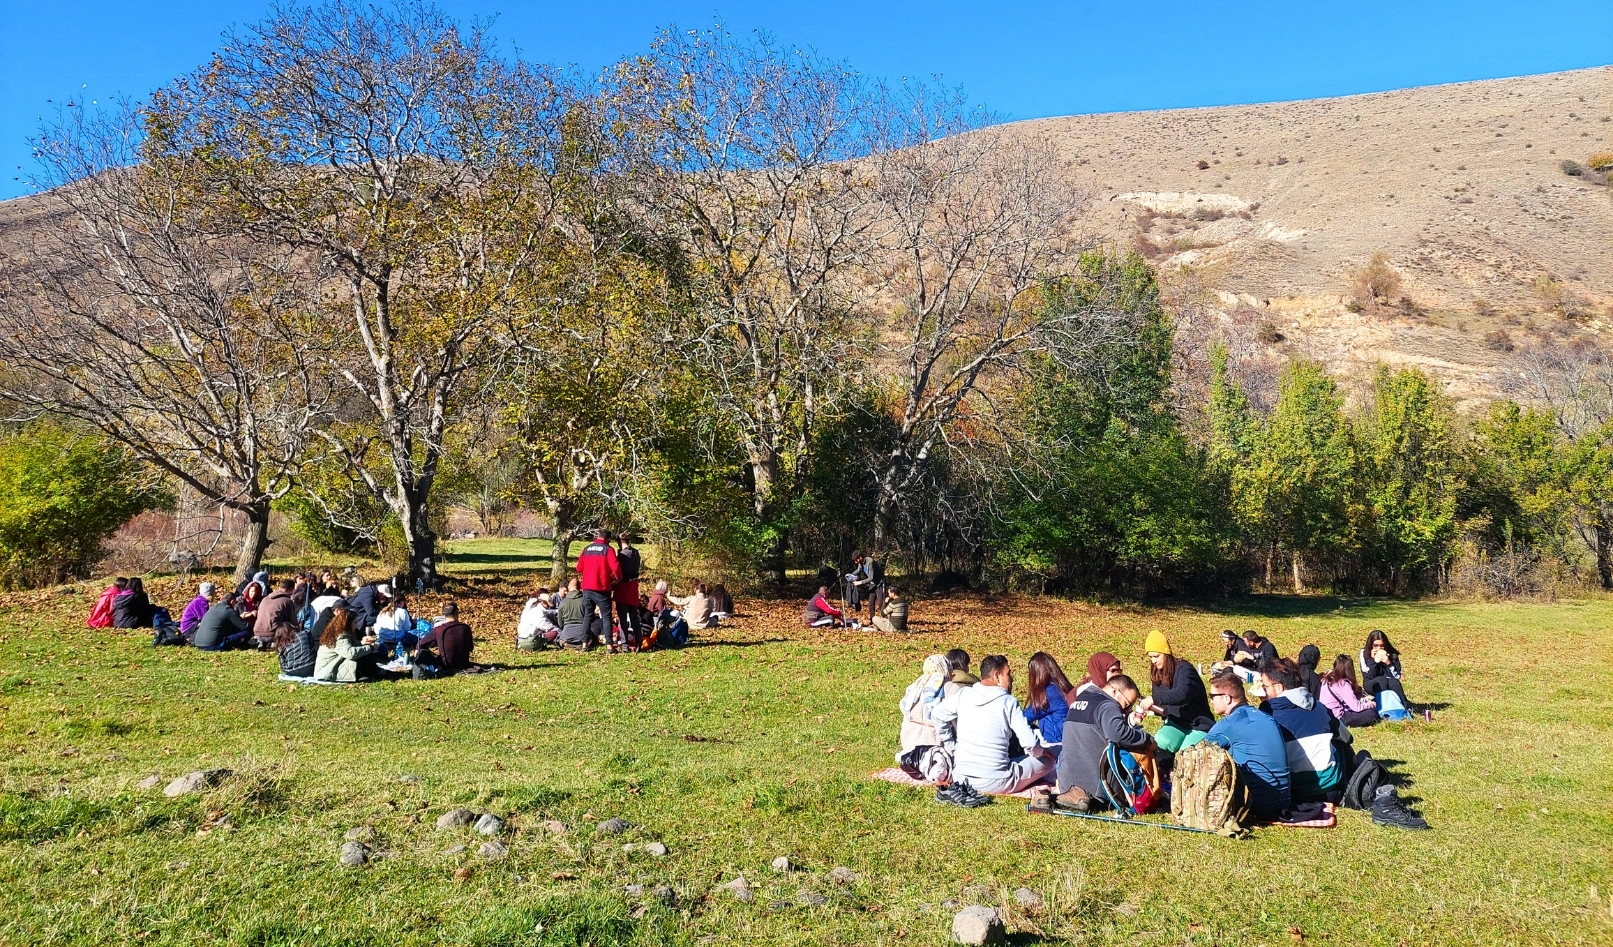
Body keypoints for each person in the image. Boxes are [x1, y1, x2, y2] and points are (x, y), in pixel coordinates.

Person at [930, 654, 1054, 795]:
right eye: (1008, 673)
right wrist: (1042, 752)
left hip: (961, 776)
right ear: (997, 676)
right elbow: (1030, 744)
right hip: (996, 781)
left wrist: (952, 747)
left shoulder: (963, 695)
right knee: (1049, 759)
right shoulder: (1008, 702)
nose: (1011, 678)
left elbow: (937, 715)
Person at [1053, 672, 1152, 812]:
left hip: (1066, 783)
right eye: (1127, 703)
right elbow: (1118, 734)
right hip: (1096, 790)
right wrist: (1146, 739)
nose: (1124, 708)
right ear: (1115, 691)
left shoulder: (1082, 698)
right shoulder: (1108, 705)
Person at [1203, 669, 1292, 819]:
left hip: (1256, 805)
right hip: (1284, 800)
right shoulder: (1266, 717)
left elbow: (1197, 753)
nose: (1211, 700)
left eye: (1212, 696)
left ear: (1226, 698)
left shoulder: (1230, 723)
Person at [1259, 657, 1343, 802]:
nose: (1264, 691)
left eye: (1265, 687)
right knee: (1338, 741)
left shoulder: (1269, 712)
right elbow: (1347, 737)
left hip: (1294, 789)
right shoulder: (1320, 707)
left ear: (1278, 687)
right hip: (1330, 788)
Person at [1135, 631, 1213, 772]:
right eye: (1151, 657)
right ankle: (1164, 777)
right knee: (1161, 741)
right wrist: (1152, 709)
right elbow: (1164, 703)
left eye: (1157, 656)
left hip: (1198, 724)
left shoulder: (1184, 669)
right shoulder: (1157, 672)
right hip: (1176, 722)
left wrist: (1154, 699)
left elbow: (1182, 694)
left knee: (1186, 754)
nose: (1153, 660)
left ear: (1166, 653)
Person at [898, 654, 961, 752]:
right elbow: (958, 721)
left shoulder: (914, 686)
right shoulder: (951, 688)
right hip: (935, 744)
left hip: (909, 741)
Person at [576, 528, 621, 651]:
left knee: (588, 616)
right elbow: (616, 567)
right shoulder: (608, 550)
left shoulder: (586, 549)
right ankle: (609, 646)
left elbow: (579, 568)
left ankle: (584, 644)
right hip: (602, 588)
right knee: (606, 617)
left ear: (597, 537)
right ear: (607, 539)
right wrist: (617, 578)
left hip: (587, 588)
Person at [1022, 652, 1075, 748]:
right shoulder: (1062, 687)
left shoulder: (1050, 694)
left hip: (1057, 745)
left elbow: (1025, 717)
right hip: (1068, 740)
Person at [314, 607, 380, 682]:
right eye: (355, 623)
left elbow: (345, 647)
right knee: (363, 655)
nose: (356, 625)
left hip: (326, 669)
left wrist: (361, 643)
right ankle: (371, 672)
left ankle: (370, 672)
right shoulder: (341, 636)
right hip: (328, 671)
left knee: (363, 652)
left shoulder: (337, 633)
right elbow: (350, 653)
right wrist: (370, 648)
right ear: (348, 623)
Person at [1320, 654, 1380, 728]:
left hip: (1326, 715)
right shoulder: (1342, 684)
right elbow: (1356, 707)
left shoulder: (1327, 679)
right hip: (1338, 717)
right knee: (1372, 713)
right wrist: (1371, 704)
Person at [415, 601, 475, 675]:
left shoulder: (438, 630)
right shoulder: (465, 628)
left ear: (444, 615)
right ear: (457, 613)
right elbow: (471, 648)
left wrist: (417, 650)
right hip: (463, 664)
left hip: (445, 666)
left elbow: (420, 643)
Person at [1360, 630, 1410, 707]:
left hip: (1388, 681)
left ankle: (1405, 705)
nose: (1379, 648)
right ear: (1371, 645)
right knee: (1381, 680)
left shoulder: (1391, 654)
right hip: (1371, 683)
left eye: (1381, 645)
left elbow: (1397, 676)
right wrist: (1373, 660)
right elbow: (1368, 676)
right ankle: (1385, 706)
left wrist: (1388, 663)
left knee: (1393, 682)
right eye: (1375, 645)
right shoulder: (1364, 653)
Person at [614, 534, 644, 651]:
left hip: (623, 587)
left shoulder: (622, 555)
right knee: (634, 617)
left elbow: (618, 572)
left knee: (622, 618)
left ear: (619, 542)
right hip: (633, 587)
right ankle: (639, 642)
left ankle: (625, 644)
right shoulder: (636, 553)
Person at [253, 579, 300, 648]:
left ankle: (262, 642)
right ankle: (275, 641)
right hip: (273, 633)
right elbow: (292, 621)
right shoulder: (287, 601)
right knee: (287, 624)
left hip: (257, 632)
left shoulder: (265, 599)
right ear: (291, 590)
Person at [557, 578, 597, 650]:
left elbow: (560, 623)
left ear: (568, 588)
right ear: (580, 588)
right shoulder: (585, 601)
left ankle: (568, 644)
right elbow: (591, 619)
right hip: (583, 636)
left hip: (566, 636)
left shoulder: (562, 603)